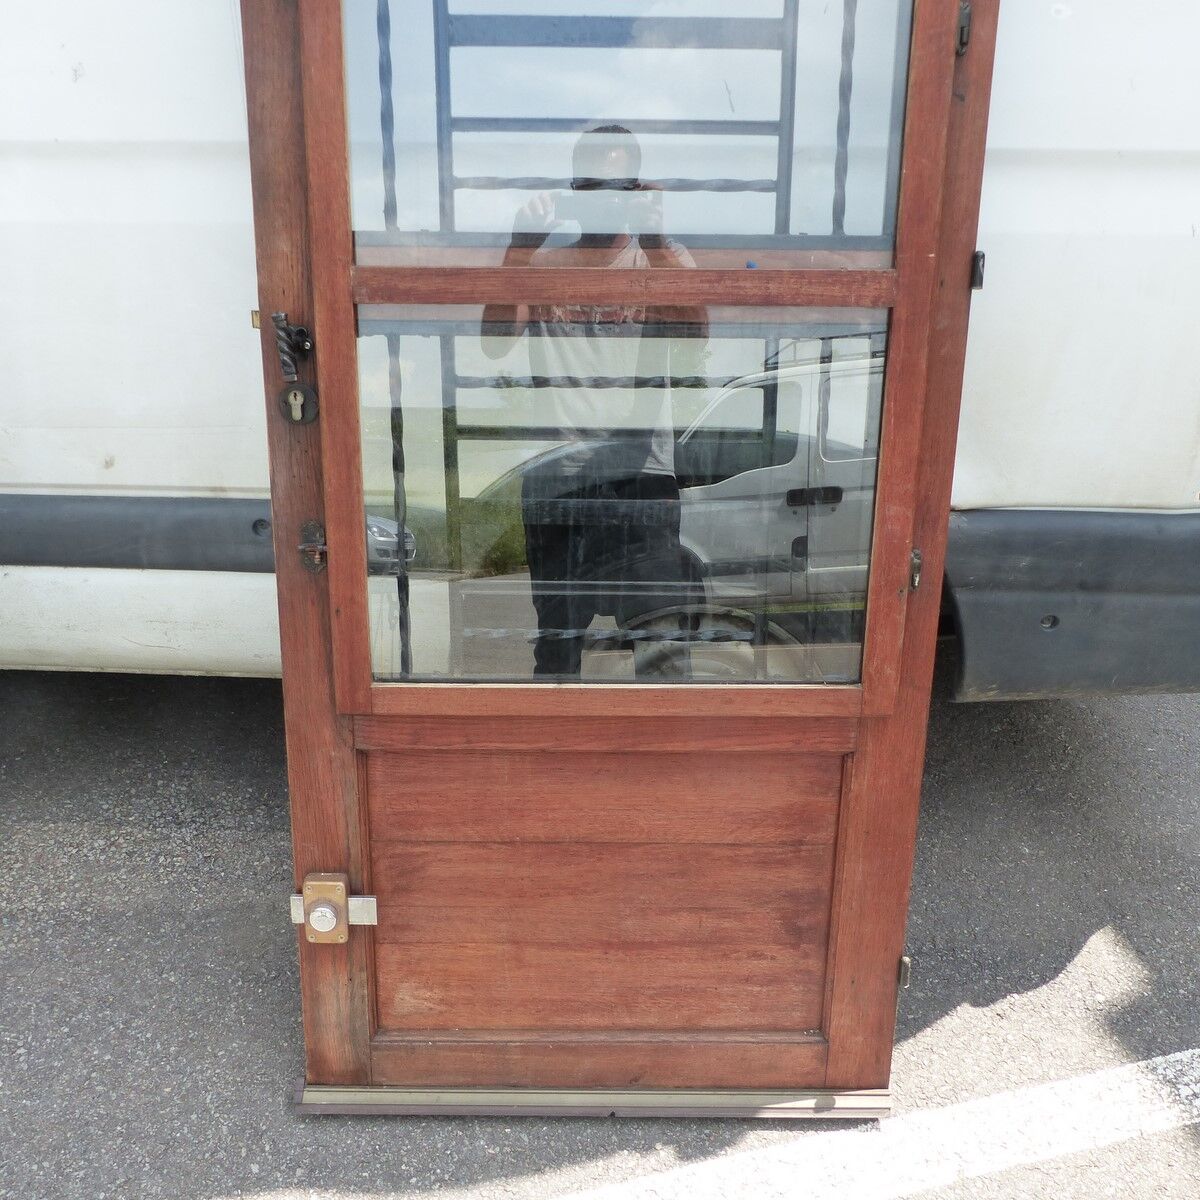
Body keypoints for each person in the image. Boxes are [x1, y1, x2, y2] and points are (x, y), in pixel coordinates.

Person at [481, 125, 707, 677]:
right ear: (574, 193)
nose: (605, 201)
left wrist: (654, 240)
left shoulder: (664, 261)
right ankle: (555, 761)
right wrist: (518, 249)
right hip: (558, 473)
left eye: (618, 189)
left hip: (642, 477)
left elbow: (694, 341)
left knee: (660, 640)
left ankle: (664, 760)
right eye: (593, 187)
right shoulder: (540, 267)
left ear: (636, 195)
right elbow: (494, 343)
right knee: (557, 642)